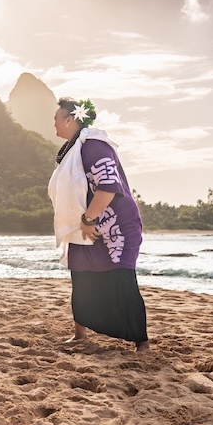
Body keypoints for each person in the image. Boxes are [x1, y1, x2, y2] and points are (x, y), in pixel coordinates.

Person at [49, 97, 150, 352]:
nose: (54, 124)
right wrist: (84, 222)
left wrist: (88, 219)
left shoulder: (94, 146)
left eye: (56, 119)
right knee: (81, 274)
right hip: (86, 224)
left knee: (121, 280)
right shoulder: (74, 147)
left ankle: (142, 342)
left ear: (69, 120)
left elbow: (108, 187)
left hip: (114, 226)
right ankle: (79, 334)